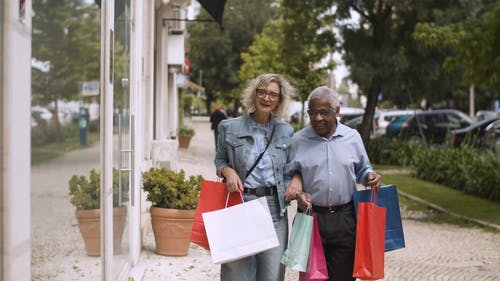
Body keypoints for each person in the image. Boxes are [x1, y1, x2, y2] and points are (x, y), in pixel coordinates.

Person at [284, 86, 381, 281]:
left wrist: (370, 176)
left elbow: (363, 169)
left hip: (345, 218)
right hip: (310, 219)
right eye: (312, 112)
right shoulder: (298, 140)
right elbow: (288, 176)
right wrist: (298, 192)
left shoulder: (352, 137)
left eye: (323, 112)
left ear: (336, 111)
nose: (317, 118)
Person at [214, 73, 297, 281]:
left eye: (273, 95)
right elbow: (220, 160)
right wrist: (228, 171)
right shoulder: (229, 127)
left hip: (274, 208)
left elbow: (293, 167)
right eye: (262, 92)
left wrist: (296, 181)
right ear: (254, 94)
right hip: (241, 203)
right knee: (237, 274)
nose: (267, 98)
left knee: (272, 274)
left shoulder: (286, 131)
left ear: (279, 100)